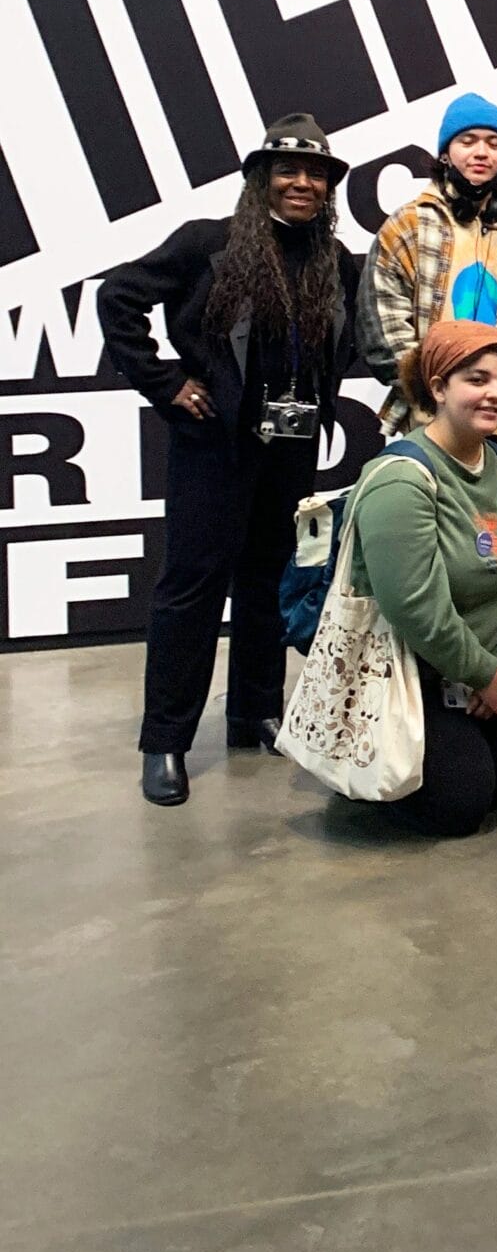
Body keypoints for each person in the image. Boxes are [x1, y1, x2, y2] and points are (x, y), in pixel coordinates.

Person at [99, 115, 359, 808]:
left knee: (271, 581)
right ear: (261, 178)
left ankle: (253, 712)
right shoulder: (208, 243)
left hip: (293, 447)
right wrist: (166, 383)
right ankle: (166, 742)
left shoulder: (337, 259)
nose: (302, 183)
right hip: (214, 446)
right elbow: (116, 296)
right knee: (191, 586)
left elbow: (366, 333)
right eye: (287, 170)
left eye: (315, 174)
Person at [350, 322, 497, 838]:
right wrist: (482, 674)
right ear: (438, 387)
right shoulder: (400, 479)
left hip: (491, 666)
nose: (495, 394)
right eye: (477, 379)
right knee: (459, 806)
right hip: (416, 674)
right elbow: (415, 605)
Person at [359, 92, 497, 451]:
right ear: (445, 152)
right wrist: (432, 390)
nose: (481, 152)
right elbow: (381, 328)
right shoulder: (410, 224)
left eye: (494, 143)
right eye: (467, 141)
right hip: (433, 416)